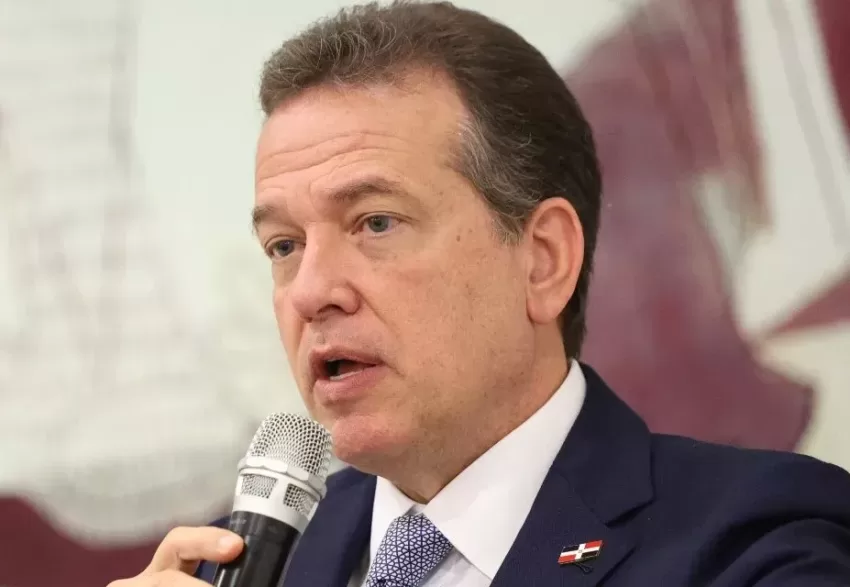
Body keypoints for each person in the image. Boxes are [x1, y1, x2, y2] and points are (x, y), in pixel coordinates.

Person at [108, 2, 850, 586]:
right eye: (284, 246)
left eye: (375, 222)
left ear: (544, 260)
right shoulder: (239, 563)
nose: (311, 292)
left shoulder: (756, 540)